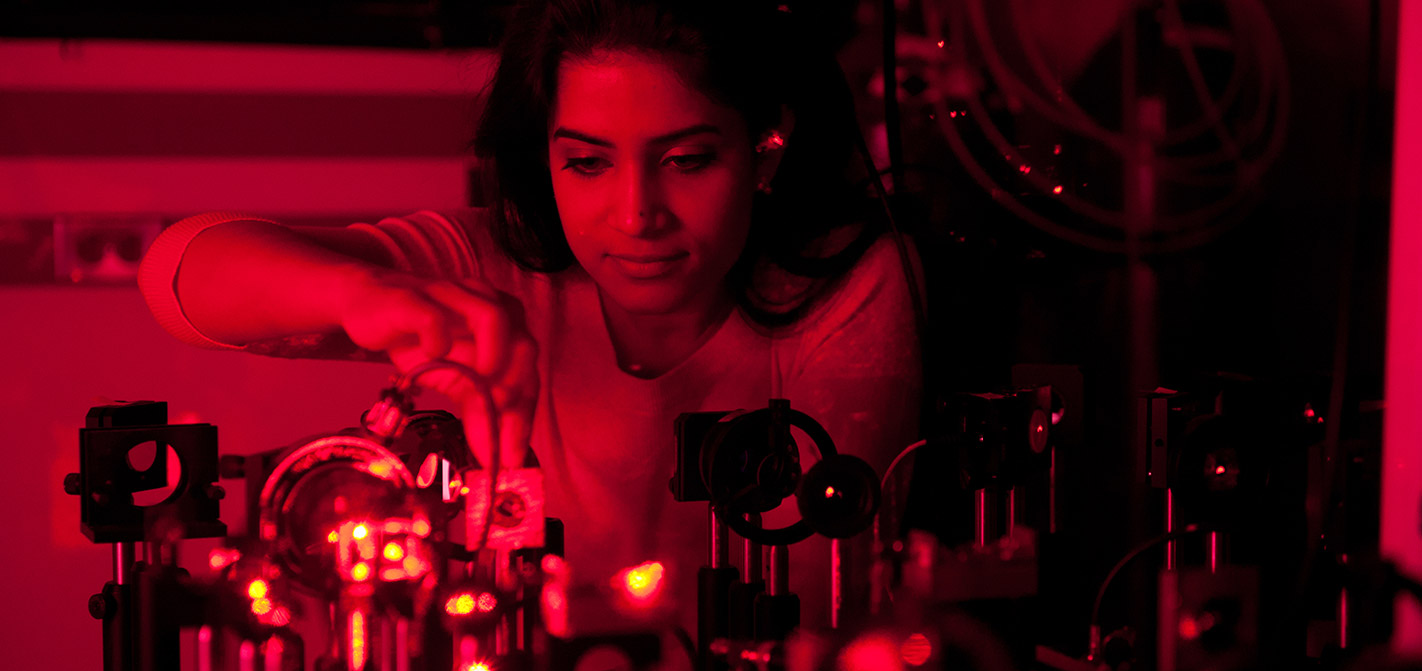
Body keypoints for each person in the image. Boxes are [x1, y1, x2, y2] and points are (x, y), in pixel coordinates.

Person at [138, 0, 922, 630]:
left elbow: (831, 600)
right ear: (543, 155)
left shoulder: (845, 283)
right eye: (586, 162)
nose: (635, 214)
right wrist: (366, 296)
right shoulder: (493, 265)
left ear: (766, 151)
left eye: (685, 160)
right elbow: (177, 273)